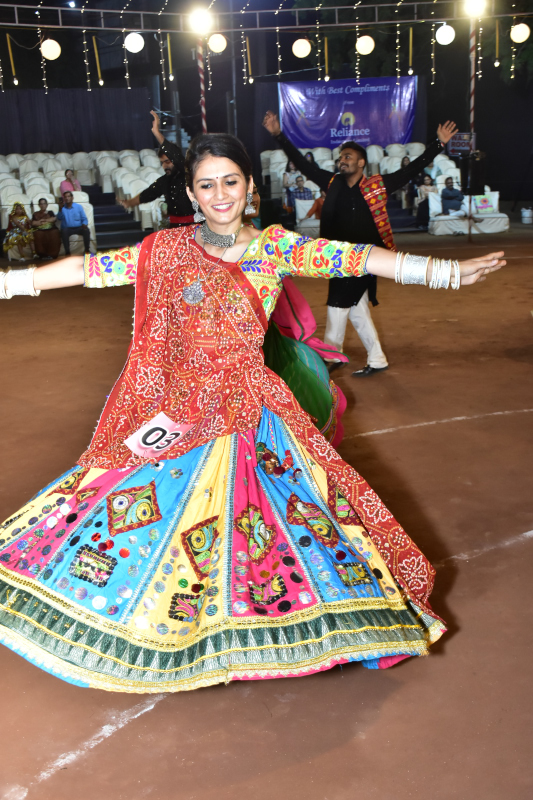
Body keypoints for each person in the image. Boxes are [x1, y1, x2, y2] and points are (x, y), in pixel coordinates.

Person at [0, 131, 504, 693]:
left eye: (230, 182)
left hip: (250, 409)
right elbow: (87, 269)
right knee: (142, 505)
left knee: (274, 520)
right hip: (181, 409)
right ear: (192, 193)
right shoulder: (166, 251)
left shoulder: (272, 247)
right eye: (206, 185)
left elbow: (353, 256)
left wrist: (442, 272)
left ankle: (279, 624)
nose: (220, 195)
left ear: (249, 186)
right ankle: (154, 622)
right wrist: (7, 282)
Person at [263, 110, 458, 376]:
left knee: (337, 303)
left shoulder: (378, 185)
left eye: (347, 157)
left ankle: (331, 355)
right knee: (357, 310)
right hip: (337, 258)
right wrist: (278, 135)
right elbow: (302, 164)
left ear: (361, 162)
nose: (342, 161)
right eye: (340, 157)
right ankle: (377, 359)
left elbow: (412, 169)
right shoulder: (332, 182)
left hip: (365, 258)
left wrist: (438, 144)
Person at [120, 110, 194, 228]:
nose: (164, 166)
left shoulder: (187, 174)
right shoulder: (164, 181)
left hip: (195, 228)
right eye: (162, 163)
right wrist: (128, 203)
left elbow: (175, 155)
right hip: (174, 228)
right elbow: (147, 194)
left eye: (167, 162)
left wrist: (156, 133)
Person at [57, 191, 91, 255]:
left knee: (86, 230)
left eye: (68, 196)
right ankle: (67, 252)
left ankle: (87, 250)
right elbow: (59, 218)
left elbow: (84, 218)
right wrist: (60, 209)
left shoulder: (78, 207)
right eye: (65, 197)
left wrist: (84, 224)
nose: (67, 198)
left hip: (78, 227)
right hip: (67, 229)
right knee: (64, 231)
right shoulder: (62, 208)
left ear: (72, 198)